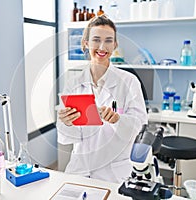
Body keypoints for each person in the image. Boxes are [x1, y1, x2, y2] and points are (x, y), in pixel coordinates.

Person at [57, 15, 147, 183]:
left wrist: (118, 119)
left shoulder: (129, 82)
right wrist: (66, 122)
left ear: (115, 45)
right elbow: (65, 138)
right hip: (80, 169)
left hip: (113, 172)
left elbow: (140, 126)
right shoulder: (73, 84)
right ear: (86, 43)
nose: (102, 46)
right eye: (96, 40)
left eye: (108, 41)